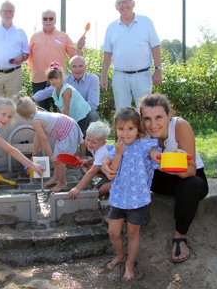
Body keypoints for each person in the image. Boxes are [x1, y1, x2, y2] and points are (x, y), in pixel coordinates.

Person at [102, 93, 209, 263]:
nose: (153, 124)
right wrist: (104, 164)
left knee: (189, 185)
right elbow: (119, 147)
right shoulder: (141, 129)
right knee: (129, 172)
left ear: (169, 115)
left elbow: (191, 171)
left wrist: (171, 160)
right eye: (147, 119)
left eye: (159, 117)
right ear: (141, 120)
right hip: (160, 178)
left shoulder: (180, 126)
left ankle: (179, 237)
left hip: (187, 177)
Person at [106, 107, 160, 281]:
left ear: (138, 129)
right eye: (121, 129)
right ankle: (120, 255)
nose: (126, 133)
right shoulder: (114, 149)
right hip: (118, 198)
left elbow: (156, 157)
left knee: (132, 233)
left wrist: (161, 156)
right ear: (116, 130)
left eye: (131, 128)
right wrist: (119, 153)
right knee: (113, 232)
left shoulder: (146, 146)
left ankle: (130, 263)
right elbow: (112, 171)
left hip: (138, 200)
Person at [99, 0, 162, 110]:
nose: (124, 5)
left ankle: (144, 130)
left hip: (142, 75)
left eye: (127, 1)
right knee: (122, 113)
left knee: (145, 111)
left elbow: (155, 47)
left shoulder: (146, 22)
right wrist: (103, 76)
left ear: (133, 4)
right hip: (120, 76)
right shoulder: (111, 27)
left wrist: (158, 70)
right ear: (116, 7)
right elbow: (107, 54)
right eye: (120, 3)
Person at [16, 92, 84, 193]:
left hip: (67, 131)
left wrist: (51, 156)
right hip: (70, 124)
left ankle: (62, 182)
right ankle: (55, 178)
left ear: (23, 115)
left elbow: (44, 140)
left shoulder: (35, 121)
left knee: (59, 159)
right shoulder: (38, 114)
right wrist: (34, 154)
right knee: (58, 156)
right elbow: (37, 137)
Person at [27, 9, 85, 111]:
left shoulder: (64, 36)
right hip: (39, 80)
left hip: (58, 80)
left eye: (51, 18)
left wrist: (79, 48)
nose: (48, 21)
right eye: (45, 18)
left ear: (55, 20)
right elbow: (29, 57)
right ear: (42, 20)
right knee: (41, 112)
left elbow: (74, 57)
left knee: (59, 112)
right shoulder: (34, 37)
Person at [32, 55, 100, 121]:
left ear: (86, 67)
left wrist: (76, 112)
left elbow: (93, 104)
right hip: (69, 113)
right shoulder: (64, 79)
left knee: (92, 114)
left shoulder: (93, 79)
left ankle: (88, 132)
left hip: (85, 112)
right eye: (74, 66)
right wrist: (32, 99)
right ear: (70, 68)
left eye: (80, 66)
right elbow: (46, 92)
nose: (77, 69)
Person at [0, 0, 29, 102]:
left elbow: (26, 52)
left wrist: (21, 58)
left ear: (14, 13)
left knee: (15, 106)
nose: (8, 13)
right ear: (0, 13)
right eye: (6, 11)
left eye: (11, 11)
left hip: (14, 74)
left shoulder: (20, 32)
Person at [47, 62, 91, 157]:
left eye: (56, 78)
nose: (54, 81)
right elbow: (58, 107)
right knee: (71, 136)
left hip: (81, 113)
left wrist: (64, 123)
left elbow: (66, 108)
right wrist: (58, 120)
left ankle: (82, 158)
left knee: (81, 136)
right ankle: (72, 158)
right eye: (51, 79)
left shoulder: (66, 90)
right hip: (72, 115)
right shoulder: (55, 92)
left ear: (61, 78)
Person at [68, 121, 113, 199]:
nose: (89, 144)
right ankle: (107, 186)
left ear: (103, 143)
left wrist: (77, 188)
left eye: (94, 142)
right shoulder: (96, 147)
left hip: (117, 176)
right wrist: (89, 160)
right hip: (108, 172)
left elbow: (92, 172)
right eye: (87, 140)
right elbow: (98, 158)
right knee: (89, 167)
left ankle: (112, 188)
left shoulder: (102, 151)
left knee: (96, 193)